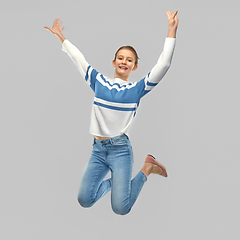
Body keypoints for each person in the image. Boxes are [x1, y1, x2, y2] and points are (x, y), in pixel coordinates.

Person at [44, 10, 178, 215]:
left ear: (134, 66)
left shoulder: (136, 89)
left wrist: (171, 30)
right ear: (114, 62)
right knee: (84, 199)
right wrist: (61, 37)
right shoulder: (99, 82)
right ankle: (118, 183)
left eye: (129, 60)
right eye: (120, 58)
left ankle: (147, 169)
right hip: (98, 150)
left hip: (120, 151)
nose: (124, 61)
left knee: (121, 208)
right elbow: (79, 59)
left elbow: (164, 64)